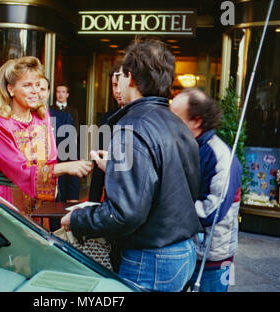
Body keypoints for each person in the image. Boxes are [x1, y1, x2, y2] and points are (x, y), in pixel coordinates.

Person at [61, 39, 202, 292]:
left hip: (151, 257)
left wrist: (78, 219)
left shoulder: (132, 127)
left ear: (131, 78)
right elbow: (169, 181)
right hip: (182, 250)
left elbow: (124, 213)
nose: (118, 83)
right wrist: (114, 168)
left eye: (121, 76)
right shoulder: (175, 121)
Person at [0, 56, 92, 216]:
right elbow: (20, 170)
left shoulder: (42, 119)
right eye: (27, 85)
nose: (35, 91)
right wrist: (66, 167)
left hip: (40, 204)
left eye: (37, 85)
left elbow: (50, 161)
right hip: (8, 202)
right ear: (11, 89)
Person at [170, 88, 242, 292]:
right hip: (184, 249)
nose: (168, 123)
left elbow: (212, 210)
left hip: (214, 259)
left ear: (197, 121)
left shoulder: (221, 157)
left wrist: (168, 208)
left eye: (175, 117)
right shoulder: (182, 146)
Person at [88, 60, 125, 202]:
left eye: (120, 85)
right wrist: (93, 202)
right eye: (114, 85)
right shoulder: (108, 117)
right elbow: (99, 161)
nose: (117, 91)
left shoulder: (142, 118)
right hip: (110, 198)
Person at [44, 80, 81, 203]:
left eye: (63, 92)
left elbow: (74, 132)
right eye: (58, 92)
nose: (60, 94)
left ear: (67, 95)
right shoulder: (49, 110)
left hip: (65, 154)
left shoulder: (71, 112)